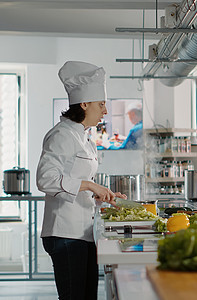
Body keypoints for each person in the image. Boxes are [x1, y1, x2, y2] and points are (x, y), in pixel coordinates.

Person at [37, 61, 127, 300]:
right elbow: (46, 179)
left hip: (83, 232)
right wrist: (89, 185)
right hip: (65, 233)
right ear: (84, 104)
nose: (105, 111)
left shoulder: (84, 137)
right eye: (101, 105)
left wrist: (102, 194)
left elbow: (77, 179)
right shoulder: (61, 135)